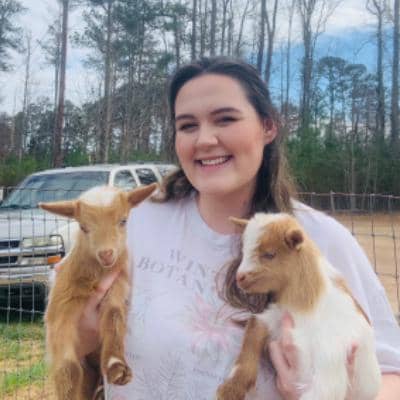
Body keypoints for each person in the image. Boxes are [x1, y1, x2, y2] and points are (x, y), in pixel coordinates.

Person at [74, 57, 400, 399]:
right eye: (187, 126)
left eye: (225, 119)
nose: (204, 140)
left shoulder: (315, 240)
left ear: (268, 127)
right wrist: (82, 338)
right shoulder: (135, 223)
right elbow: (76, 344)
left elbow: (391, 374)